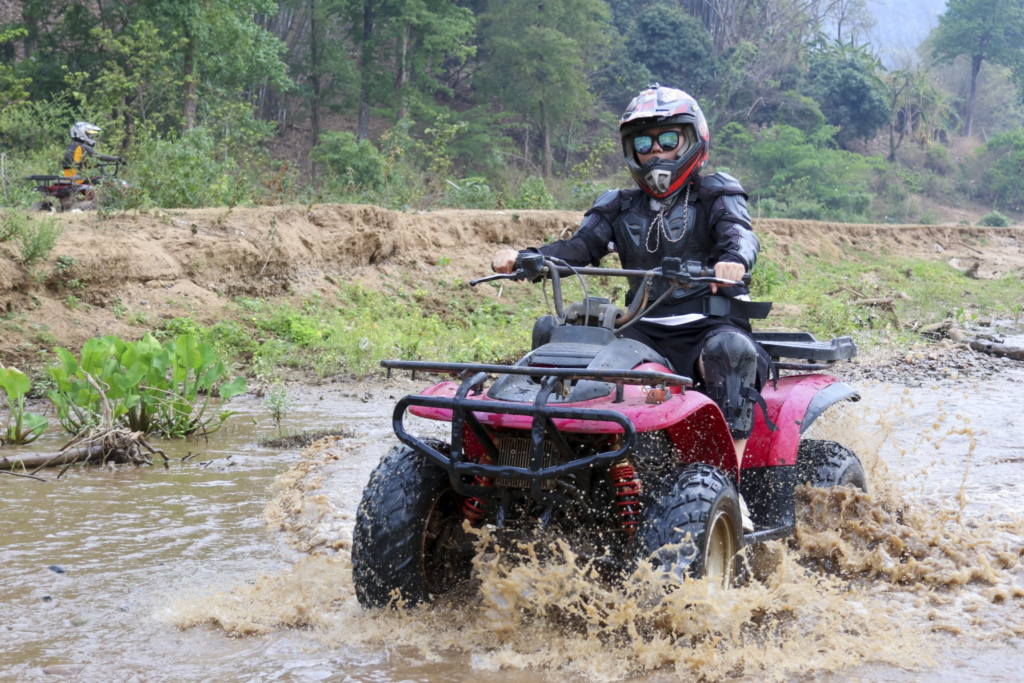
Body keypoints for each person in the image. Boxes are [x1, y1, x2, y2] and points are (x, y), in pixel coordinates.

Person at [492, 84, 771, 459]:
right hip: (640, 325)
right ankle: (546, 453)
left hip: (708, 324)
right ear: (632, 150)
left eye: (668, 139)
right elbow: (579, 247)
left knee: (730, 350)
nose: (656, 150)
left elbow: (740, 235)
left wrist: (734, 260)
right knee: (555, 334)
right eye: (644, 143)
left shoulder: (716, 194)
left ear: (692, 140)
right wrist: (529, 258)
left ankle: (730, 487)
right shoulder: (618, 205)